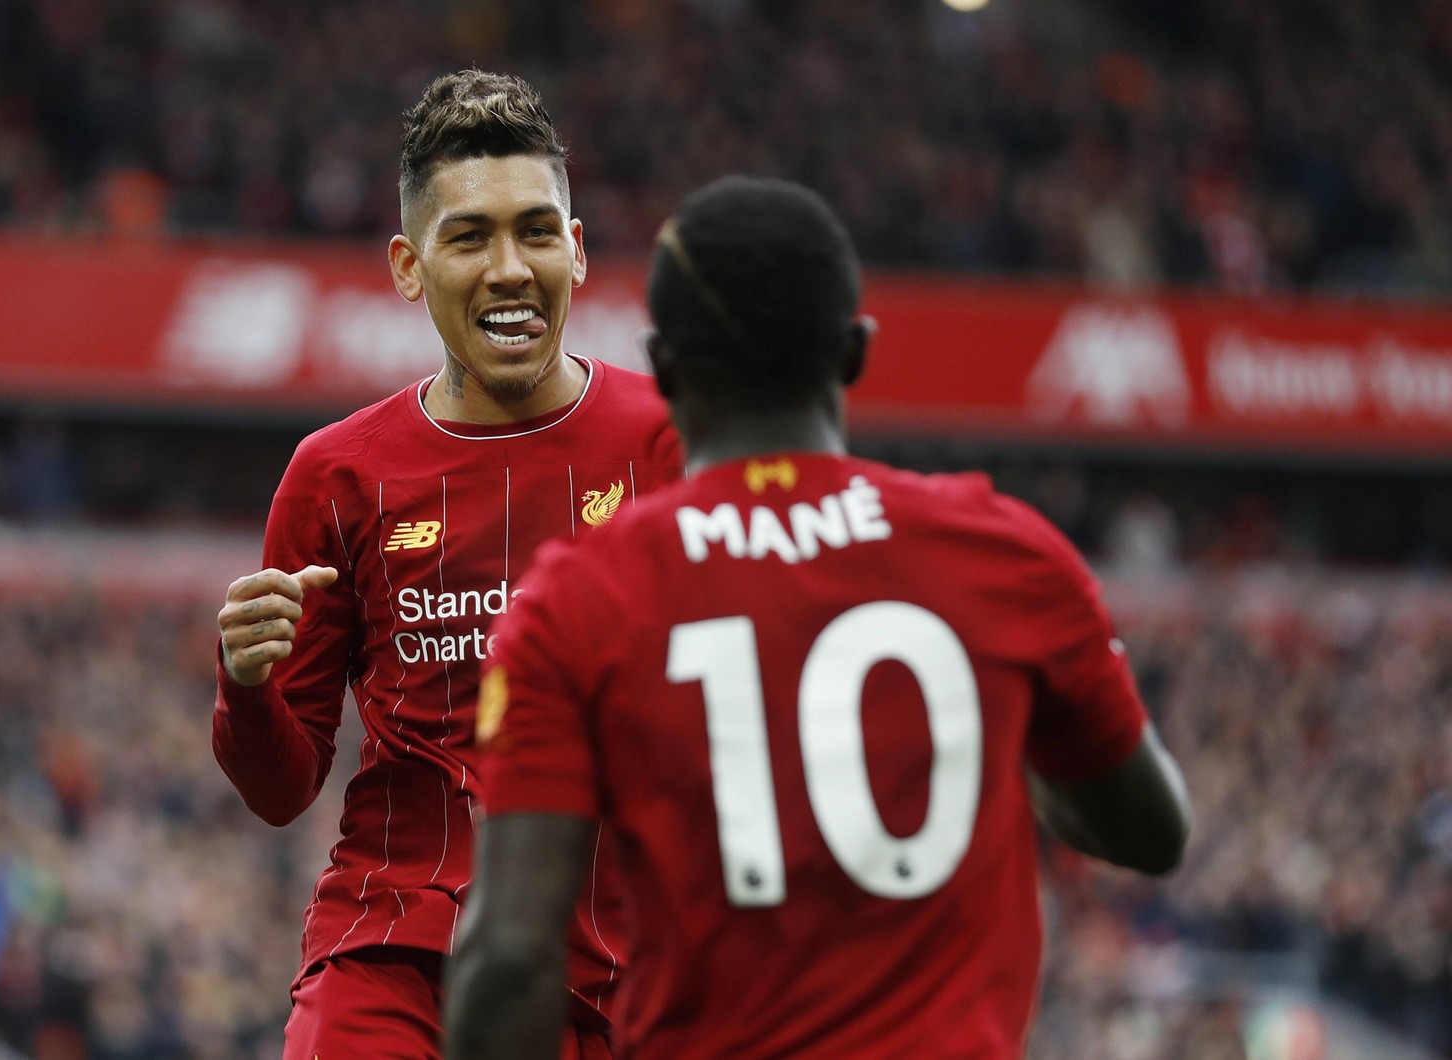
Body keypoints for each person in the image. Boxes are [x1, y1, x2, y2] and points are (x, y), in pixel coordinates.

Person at [445, 176, 1191, 1059]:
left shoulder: (575, 600)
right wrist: (1005, 733)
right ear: (854, 351)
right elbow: (1150, 830)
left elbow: (509, 962)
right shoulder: (1007, 558)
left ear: (667, 366)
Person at [212, 70, 682, 1059]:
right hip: (396, 959)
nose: (510, 267)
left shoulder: (671, 444)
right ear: (408, 265)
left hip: (624, 984)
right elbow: (280, 787)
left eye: (535, 230)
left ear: (579, 250)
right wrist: (248, 689)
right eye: (469, 237)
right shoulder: (336, 476)